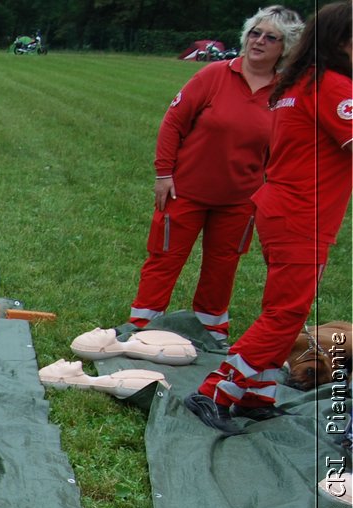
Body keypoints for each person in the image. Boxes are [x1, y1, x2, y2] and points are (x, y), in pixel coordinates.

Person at [188, 0, 353, 433]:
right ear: (344, 41)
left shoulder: (301, 82)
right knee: (284, 313)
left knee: (287, 311)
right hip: (303, 214)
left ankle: (256, 394)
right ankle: (215, 390)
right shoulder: (332, 85)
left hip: (288, 208)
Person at [128, 6, 303, 342]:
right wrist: (164, 174)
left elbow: (285, 148)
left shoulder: (285, 92)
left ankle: (210, 332)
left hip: (240, 200)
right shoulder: (214, 75)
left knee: (222, 268)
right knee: (164, 259)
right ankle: (142, 326)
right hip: (185, 190)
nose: (259, 41)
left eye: (271, 37)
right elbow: (173, 123)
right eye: (255, 33)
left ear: (286, 47)